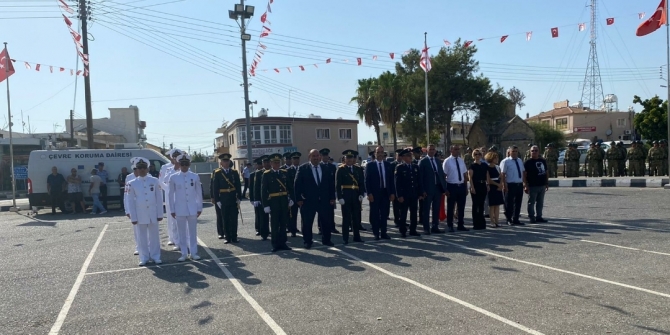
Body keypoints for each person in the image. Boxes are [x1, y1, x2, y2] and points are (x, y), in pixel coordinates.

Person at [127, 157, 164, 266]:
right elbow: (130, 201)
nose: (142, 170)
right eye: (140, 168)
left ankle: (156, 256)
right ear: (136, 169)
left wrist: (160, 213)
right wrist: (133, 217)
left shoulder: (154, 181)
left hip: (153, 212)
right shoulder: (132, 183)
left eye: (144, 167)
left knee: (154, 237)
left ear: (148, 169)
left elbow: (159, 198)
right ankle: (143, 257)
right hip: (140, 214)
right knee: (141, 237)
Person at [295, 149, 336, 248]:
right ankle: (307, 241)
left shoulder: (325, 168)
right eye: (314, 156)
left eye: (317, 156)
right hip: (308, 201)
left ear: (320, 157)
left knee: (326, 221)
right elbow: (297, 185)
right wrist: (299, 199)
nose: (316, 158)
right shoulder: (303, 168)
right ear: (309, 157)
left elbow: (331, 184)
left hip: (324, 200)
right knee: (307, 222)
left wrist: (332, 197)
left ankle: (326, 240)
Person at [168, 153, 203, 261]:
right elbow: (170, 194)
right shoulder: (173, 177)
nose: (184, 166)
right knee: (181, 232)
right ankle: (183, 253)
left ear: (189, 164)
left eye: (186, 164)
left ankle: (193, 253)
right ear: (179, 164)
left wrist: (199, 207)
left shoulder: (194, 176)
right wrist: (172, 209)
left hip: (192, 208)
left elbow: (199, 194)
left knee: (193, 232)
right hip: (179, 209)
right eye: (182, 164)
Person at [262, 153, 294, 252]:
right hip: (274, 202)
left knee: (283, 223)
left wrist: (291, 198)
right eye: (275, 162)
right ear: (271, 163)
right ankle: (275, 244)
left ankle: (283, 243)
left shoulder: (284, 172)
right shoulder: (267, 174)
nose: (277, 164)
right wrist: (265, 205)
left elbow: (290, 187)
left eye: (278, 162)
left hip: (283, 201)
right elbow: (263, 191)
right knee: (275, 224)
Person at [365, 146, 395, 240]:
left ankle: (383, 233)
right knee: (375, 214)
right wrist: (369, 193)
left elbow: (391, 180)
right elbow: (367, 181)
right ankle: (376, 233)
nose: (380, 154)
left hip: (385, 193)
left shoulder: (388, 165)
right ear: (375, 153)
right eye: (378, 152)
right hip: (374, 193)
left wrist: (392, 193)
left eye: (382, 152)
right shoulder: (370, 165)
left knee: (384, 214)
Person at [336, 150, 366, 244]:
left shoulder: (358, 169)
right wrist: (339, 197)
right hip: (346, 195)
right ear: (344, 159)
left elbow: (361, 182)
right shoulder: (340, 169)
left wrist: (361, 193)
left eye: (351, 158)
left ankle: (356, 236)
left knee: (356, 218)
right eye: (347, 158)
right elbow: (337, 185)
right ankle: (345, 238)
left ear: (353, 159)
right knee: (346, 218)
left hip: (356, 195)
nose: (349, 160)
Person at [212, 153, 242, 244]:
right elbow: (215, 187)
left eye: (227, 161)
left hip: (233, 198)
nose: (226, 163)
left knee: (234, 218)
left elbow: (238, 185)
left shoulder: (234, 172)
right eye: (224, 161)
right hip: (223, 199)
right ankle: (227, 237)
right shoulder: (217, 173)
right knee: (225, 218)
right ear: (221, 163)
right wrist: (217, 200)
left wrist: (239, 197)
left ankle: (234, 236)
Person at [419, 144, 447, 234]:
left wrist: (444, 188)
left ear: (435, 151)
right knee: (426, 209)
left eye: (433, 149)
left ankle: (435, 226)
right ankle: (426, 228)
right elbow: (420, 178)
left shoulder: (438, 161)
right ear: (427, 151)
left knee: (436, 208)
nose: (432, 151)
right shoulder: (423, 162)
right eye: (430, 149)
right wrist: (422, 190)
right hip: (427, 190)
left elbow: (441, 175)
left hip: (437, 188)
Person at [394, 148, 422, 237]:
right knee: (403, 213)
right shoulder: (400, 168)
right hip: (404, 195)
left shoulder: (415, 167)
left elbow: (418, 181)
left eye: (410, 155)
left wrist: (420, 193)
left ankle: (413, 229)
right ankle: (403, 230)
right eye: (408, 155)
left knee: (414, 213)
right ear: (403, 157)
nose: (410, 157)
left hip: (413, 194)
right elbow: (397, 183)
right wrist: (399, 195)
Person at [442, 145, 469, 232]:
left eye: (458, 149)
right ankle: (450, 225)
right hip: (451, 186)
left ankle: (460, 224)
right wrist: (445, 189)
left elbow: (465, 175)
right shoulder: (447, 161)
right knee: (451, 207)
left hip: (461, 186)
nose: (457, 151)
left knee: (461, 207)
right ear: (451, 150)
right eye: (455, 149)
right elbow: (444, 176)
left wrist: (465, 187)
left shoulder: (461, 161)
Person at [160, 149, 182, 249]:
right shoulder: (165, 167)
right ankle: (172, 238)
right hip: (170, 196)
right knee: (171, 219)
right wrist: (169, 190)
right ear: (171, 157)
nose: (176, 158)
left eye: (178, 156)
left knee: (182, 219)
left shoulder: (184, 165)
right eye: (174, 156)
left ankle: (183, 239)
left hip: (181, 197)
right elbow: (161, 182)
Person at [524, 145, 549, 224]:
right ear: (530, 152)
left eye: (536, 150)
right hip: (532, 185)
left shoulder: (543, 161)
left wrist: (546, 183)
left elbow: (546, 172)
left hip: (541, 185)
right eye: (532, 151)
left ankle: (539, 216)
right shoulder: (527, 162)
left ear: (539, 152)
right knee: (531, 202)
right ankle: (531, 217)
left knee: (540, 202)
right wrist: (525, 185)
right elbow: (524, 175)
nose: (534, 152)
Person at [501, 145, 525, 225]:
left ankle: (516, 219)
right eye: (513, 151)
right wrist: (504, 185)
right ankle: (509, 219)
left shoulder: (519, 160)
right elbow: (503, 174)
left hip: (519, 184)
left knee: (518, 202)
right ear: (509, 152)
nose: (514, 153)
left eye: (516, 151)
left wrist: (524, 183)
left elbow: (523, 172)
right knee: (509, 203)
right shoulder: (506, 161)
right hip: (510, 184)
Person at [318, 148, 339, 235]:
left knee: (331, 211)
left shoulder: (332, 166)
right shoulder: (318, 166)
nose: (325, 157)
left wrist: (335, 192)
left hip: (330, 192)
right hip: (321, 193)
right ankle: (320, 228)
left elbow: (335, 180)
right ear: (321, 157)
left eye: (326, 156)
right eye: (323, 156)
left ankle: (332, 227)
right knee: (321, 211)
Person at [468, 149, 489, 230]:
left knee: (481, 205)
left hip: (483, 185)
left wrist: (487, 184)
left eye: (479, 154)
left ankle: (482, 223)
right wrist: (472, 187)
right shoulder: (472, 166)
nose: (477, 156)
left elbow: (487, 175)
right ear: (473, 155)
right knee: (475, 205)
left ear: (481, 155)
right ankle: (476, 223)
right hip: (475, 185)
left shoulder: (484, 165)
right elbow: (470, 178)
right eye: (476, 154)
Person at [253, 155, 271, 240]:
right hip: (262, 198)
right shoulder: (259, 173)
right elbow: (256, 187)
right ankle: (264, 233)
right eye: (265, 162)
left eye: (268, 162)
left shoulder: (273, 171)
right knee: (264, 217)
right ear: (263, 163)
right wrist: (256, 199)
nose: (267, 164)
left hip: (273, 198)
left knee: (275, 217)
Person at [124, 161, 140, 256]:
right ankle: (138, 246)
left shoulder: (148, 176)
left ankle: (149, 246)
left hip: (145, 206)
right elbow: (126, 194)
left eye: (138, 168)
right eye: (135, 169)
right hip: (133, 206)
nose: (137, 171)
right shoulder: (129, 177)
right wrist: (127, 209)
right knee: (136, 228)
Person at [485, 152, 504, 227]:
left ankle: (497, 221)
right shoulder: (487, 167)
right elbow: (488, 179)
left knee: (497, 205)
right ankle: (492, 222)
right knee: (492, 205)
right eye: (495, 158)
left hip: (498, 186)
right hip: (492, 187)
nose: (497, 159)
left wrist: (501, 184)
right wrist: (497, 184)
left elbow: (501, 176)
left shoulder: (497, 167)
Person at [286, 152, 302, 237]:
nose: (296, 160)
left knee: (304, 214)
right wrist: (288, 196)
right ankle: (293, 230)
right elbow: (287, 184)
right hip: (292, 195)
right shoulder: (288, 171)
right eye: (294, 159)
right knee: (293, 214)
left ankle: (305, 229)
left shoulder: (303, 169)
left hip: (302, 196)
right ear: (292, 160)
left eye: (297, 158)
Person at [249, 158, 263, 236]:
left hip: (264, 197)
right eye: (258, 164)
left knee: (264, 214)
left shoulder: (264, 173)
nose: (260, 166)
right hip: (256, 198)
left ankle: (265, 229)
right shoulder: (252, 174)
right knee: (257, 214)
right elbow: (251, 188)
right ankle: (258, 229)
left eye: (261, 164)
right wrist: (252, 199)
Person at [390, 148, 403, 228]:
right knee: (396, 206)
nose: (400, 157)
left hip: (402, 189)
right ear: (396, 156)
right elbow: (391, 178)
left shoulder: (403, 164)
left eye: (401, 156)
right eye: (399, 155)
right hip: (395, 189)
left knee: (403, 207)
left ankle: (402, 220)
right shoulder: (392, 165)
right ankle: (397, 220)